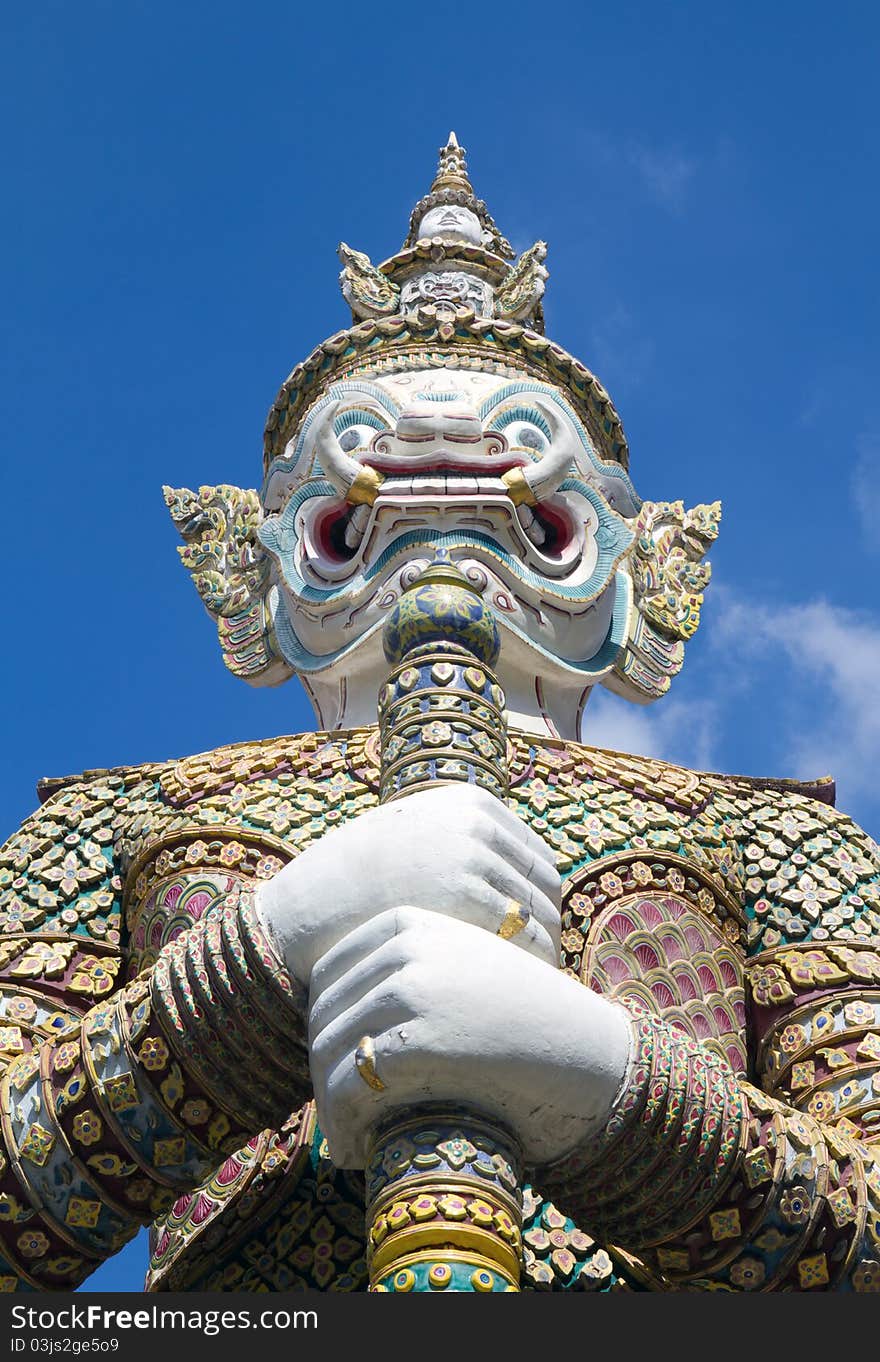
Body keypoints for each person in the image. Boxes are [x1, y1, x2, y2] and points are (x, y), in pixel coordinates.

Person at [2, 135, 878, 1294]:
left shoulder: (781, 841)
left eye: (522, 472)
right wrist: (262, 960)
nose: (437, 475)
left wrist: (606, 1083)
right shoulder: (112, 826)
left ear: (642, 562)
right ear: (256, 565)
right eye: (358, 476)